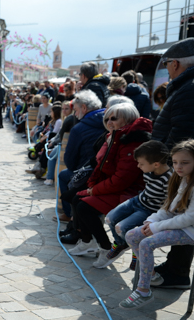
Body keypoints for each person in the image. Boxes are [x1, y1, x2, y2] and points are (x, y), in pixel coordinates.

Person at [66, 103, 150, 261]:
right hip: (113, 186)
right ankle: (87, 241)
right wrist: (92, 185)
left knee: (84, 206)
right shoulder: (113, 136)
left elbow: (122, 179)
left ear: (127, 119)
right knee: (76, 197)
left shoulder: (132, 141)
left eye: (114, 118)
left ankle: (106, 247)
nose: (109, 122)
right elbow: (99, 166)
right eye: (107, 118)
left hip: (130, 192)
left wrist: (94, 190)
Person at [123, 139, 194, 309]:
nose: (178, 167)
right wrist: (153, 220)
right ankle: (151, 275)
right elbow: (170, 207)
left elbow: (189, 218)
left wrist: (157, 227)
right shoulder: (182, 179)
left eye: (184, 163)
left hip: (190, 230)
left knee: (147, 242)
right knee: (132, 235)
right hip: (180, 225)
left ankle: (143, 290)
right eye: (175, 162)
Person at [148, 38, 194, 289]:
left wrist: (173, 166)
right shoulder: (186, 86)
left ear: (175, 64)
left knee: (182, 212)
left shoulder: (188, 89)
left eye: (167, 64)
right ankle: (176, 267)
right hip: (180, 164)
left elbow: (182, 135)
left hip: (181, 166)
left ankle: (178, 272)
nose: (167, 68)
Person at [94, 140, 171, 269]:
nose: (138, 166)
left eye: (141, 164)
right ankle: (121, 244)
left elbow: (168, 203)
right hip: (137, 200)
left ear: (156, 164)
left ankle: (137, 250)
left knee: (121, 227)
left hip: (148, 209)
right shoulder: (149, 170)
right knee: (109, 218)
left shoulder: (169, 179)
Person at [58, 90, 106, 237]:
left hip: (90, 173)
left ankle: (71, 218)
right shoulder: (110, 120)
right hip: (107, 171)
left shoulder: (79, 128)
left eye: (76, 110)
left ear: (84, 108)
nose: (75, 114)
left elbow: (70, 162)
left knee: (65, 176)